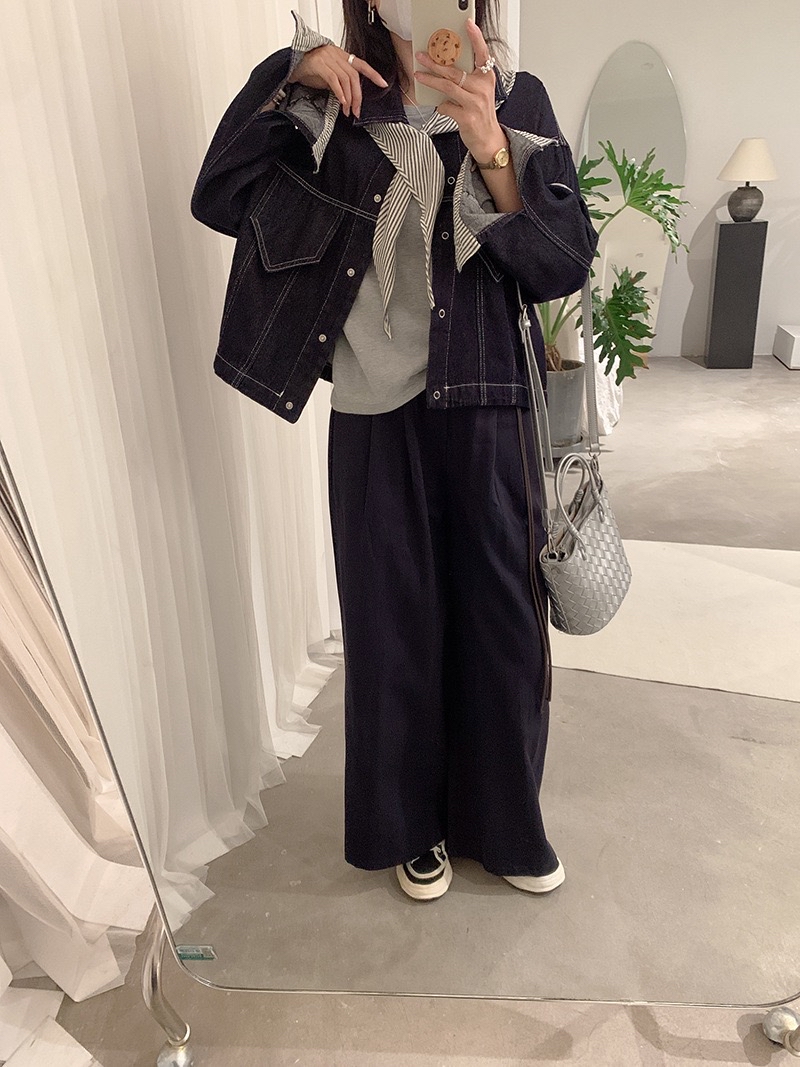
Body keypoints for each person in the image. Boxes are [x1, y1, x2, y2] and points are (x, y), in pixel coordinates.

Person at [191, 1, 599, 902]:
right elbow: (219, 194)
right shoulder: (338, 104)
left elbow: (564, 262)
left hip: (487, 395)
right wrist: (287, 77)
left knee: (503, 620)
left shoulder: (516, 97)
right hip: (376, 408)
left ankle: (506, 823)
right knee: (391, 625)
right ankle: (413, 827)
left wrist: (490, 144)